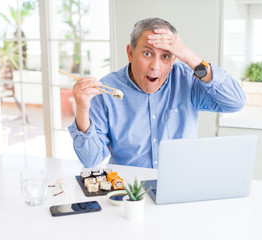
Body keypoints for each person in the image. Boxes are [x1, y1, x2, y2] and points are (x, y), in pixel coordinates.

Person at [68, 18, 246, 169]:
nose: (155, 66)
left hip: (180, 186)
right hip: (129, 191)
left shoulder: (186, 80)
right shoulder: (106, 89)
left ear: (175, 58)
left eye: (166, 56)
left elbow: (235, 102)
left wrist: (189, 56)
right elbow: (90, 160)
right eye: (147, 53)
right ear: (130, 53)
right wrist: (82, 109)